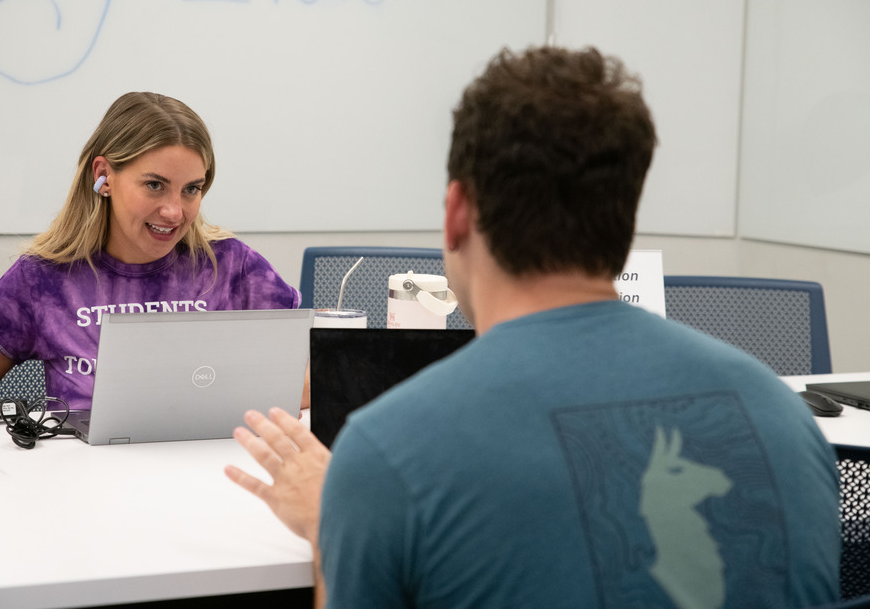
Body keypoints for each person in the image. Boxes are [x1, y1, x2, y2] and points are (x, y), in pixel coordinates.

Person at [224, 46, 841, 607]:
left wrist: (334, 524)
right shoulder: (783, 418)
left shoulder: (391, 453)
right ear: (623, 215)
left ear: (457, 213)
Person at [0, 91, 300, 431]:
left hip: (213, 476)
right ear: (105, 175)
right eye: (155, 185)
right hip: (83, 489)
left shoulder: (231, 266)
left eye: (192, 189)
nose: (176, 211)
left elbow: (308, 376)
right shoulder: (43, 279)